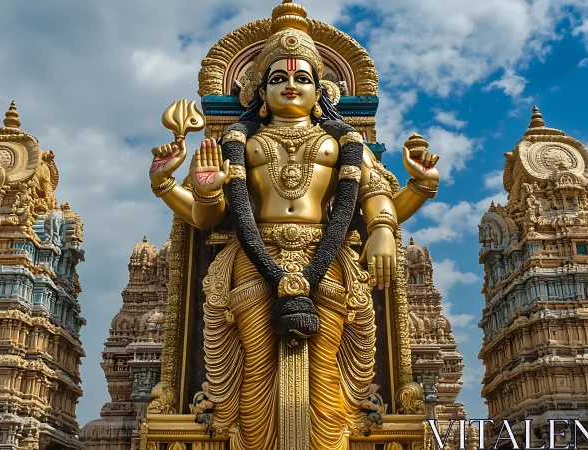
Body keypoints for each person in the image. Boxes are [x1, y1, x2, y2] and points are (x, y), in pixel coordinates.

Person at [148, 2, 440, 448]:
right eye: (278, 78)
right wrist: (175, 184)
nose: (290, 85)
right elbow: (206, 221)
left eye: (302, 78)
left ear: (319, 91)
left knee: (326, 378)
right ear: (259, 94)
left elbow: (375, 198)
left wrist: (408, 198)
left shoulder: (342, 144)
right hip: (252, 258)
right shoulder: (239, 145)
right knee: (254, 374)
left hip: (327, 262)